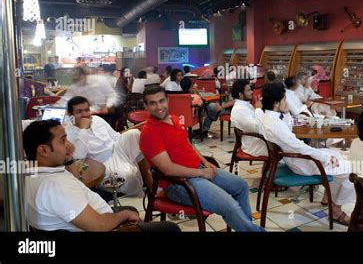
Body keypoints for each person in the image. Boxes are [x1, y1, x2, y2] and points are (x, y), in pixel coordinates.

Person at [139, 86, 264, 232]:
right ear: (146, 106)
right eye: (153, 103)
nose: (159, 107)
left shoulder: (173, 118)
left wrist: (205, 163)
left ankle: (245, 228)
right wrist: (202, 173)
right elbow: (168, 169)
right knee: (230, 206)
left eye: (161, 101)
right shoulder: (149, 132)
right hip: (179, 183)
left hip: (198, 170)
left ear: (167, 100)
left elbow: (188, 145)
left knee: (241, 185)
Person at [23, 120, 179, 232]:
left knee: (131, 209)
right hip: (107, 225)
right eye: (63, 140)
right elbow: (99, 226)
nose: (70, 145)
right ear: (43, 150)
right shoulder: (56, 186)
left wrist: (68, 156)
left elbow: (77, 180)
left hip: (96, 215)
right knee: (170, 228)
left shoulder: (35, 172)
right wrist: (123, 215)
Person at [257, 82, 355, 225]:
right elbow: (301, 148)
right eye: (285, 99)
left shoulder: (269, 117)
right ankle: (337, 210)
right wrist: (326, 157)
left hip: (296, 157)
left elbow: (290, 134)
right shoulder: (275, 124)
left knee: (337, 153)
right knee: (354, 170)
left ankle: (328, 197)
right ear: (276, 103)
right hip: (301, 162)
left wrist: (285, 113)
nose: (287, 102)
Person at [65, 96, 152, 196]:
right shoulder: (69, 133)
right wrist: (83, 129)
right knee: (128, 174)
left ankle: (148, 179)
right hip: (101, 163)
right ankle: (137, 194)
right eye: (79, 112)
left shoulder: (97, 119)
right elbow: (79, 156)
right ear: (71, 115)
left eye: (86, 110)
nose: (84, 114)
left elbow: (116, 137)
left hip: (116, 150)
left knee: (134, 133)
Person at [58, 67, 123, 125]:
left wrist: (108, 106)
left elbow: (112, 95)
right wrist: (57, 108)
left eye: (79, 78)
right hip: (89, 114)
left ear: (84, 75)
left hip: (106, 112)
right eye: (75, 80)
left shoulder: (100, 80)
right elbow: (65, 100)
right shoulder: (74, 86)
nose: (77, 82)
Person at [230, 79, 267, 157]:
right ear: (240, 94)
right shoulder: (239, 110)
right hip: (255, 146)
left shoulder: (246, 105)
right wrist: (258, 109)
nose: (252, 92)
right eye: (248, 90)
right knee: (283, 146)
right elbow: (257, 128)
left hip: (259, 139)